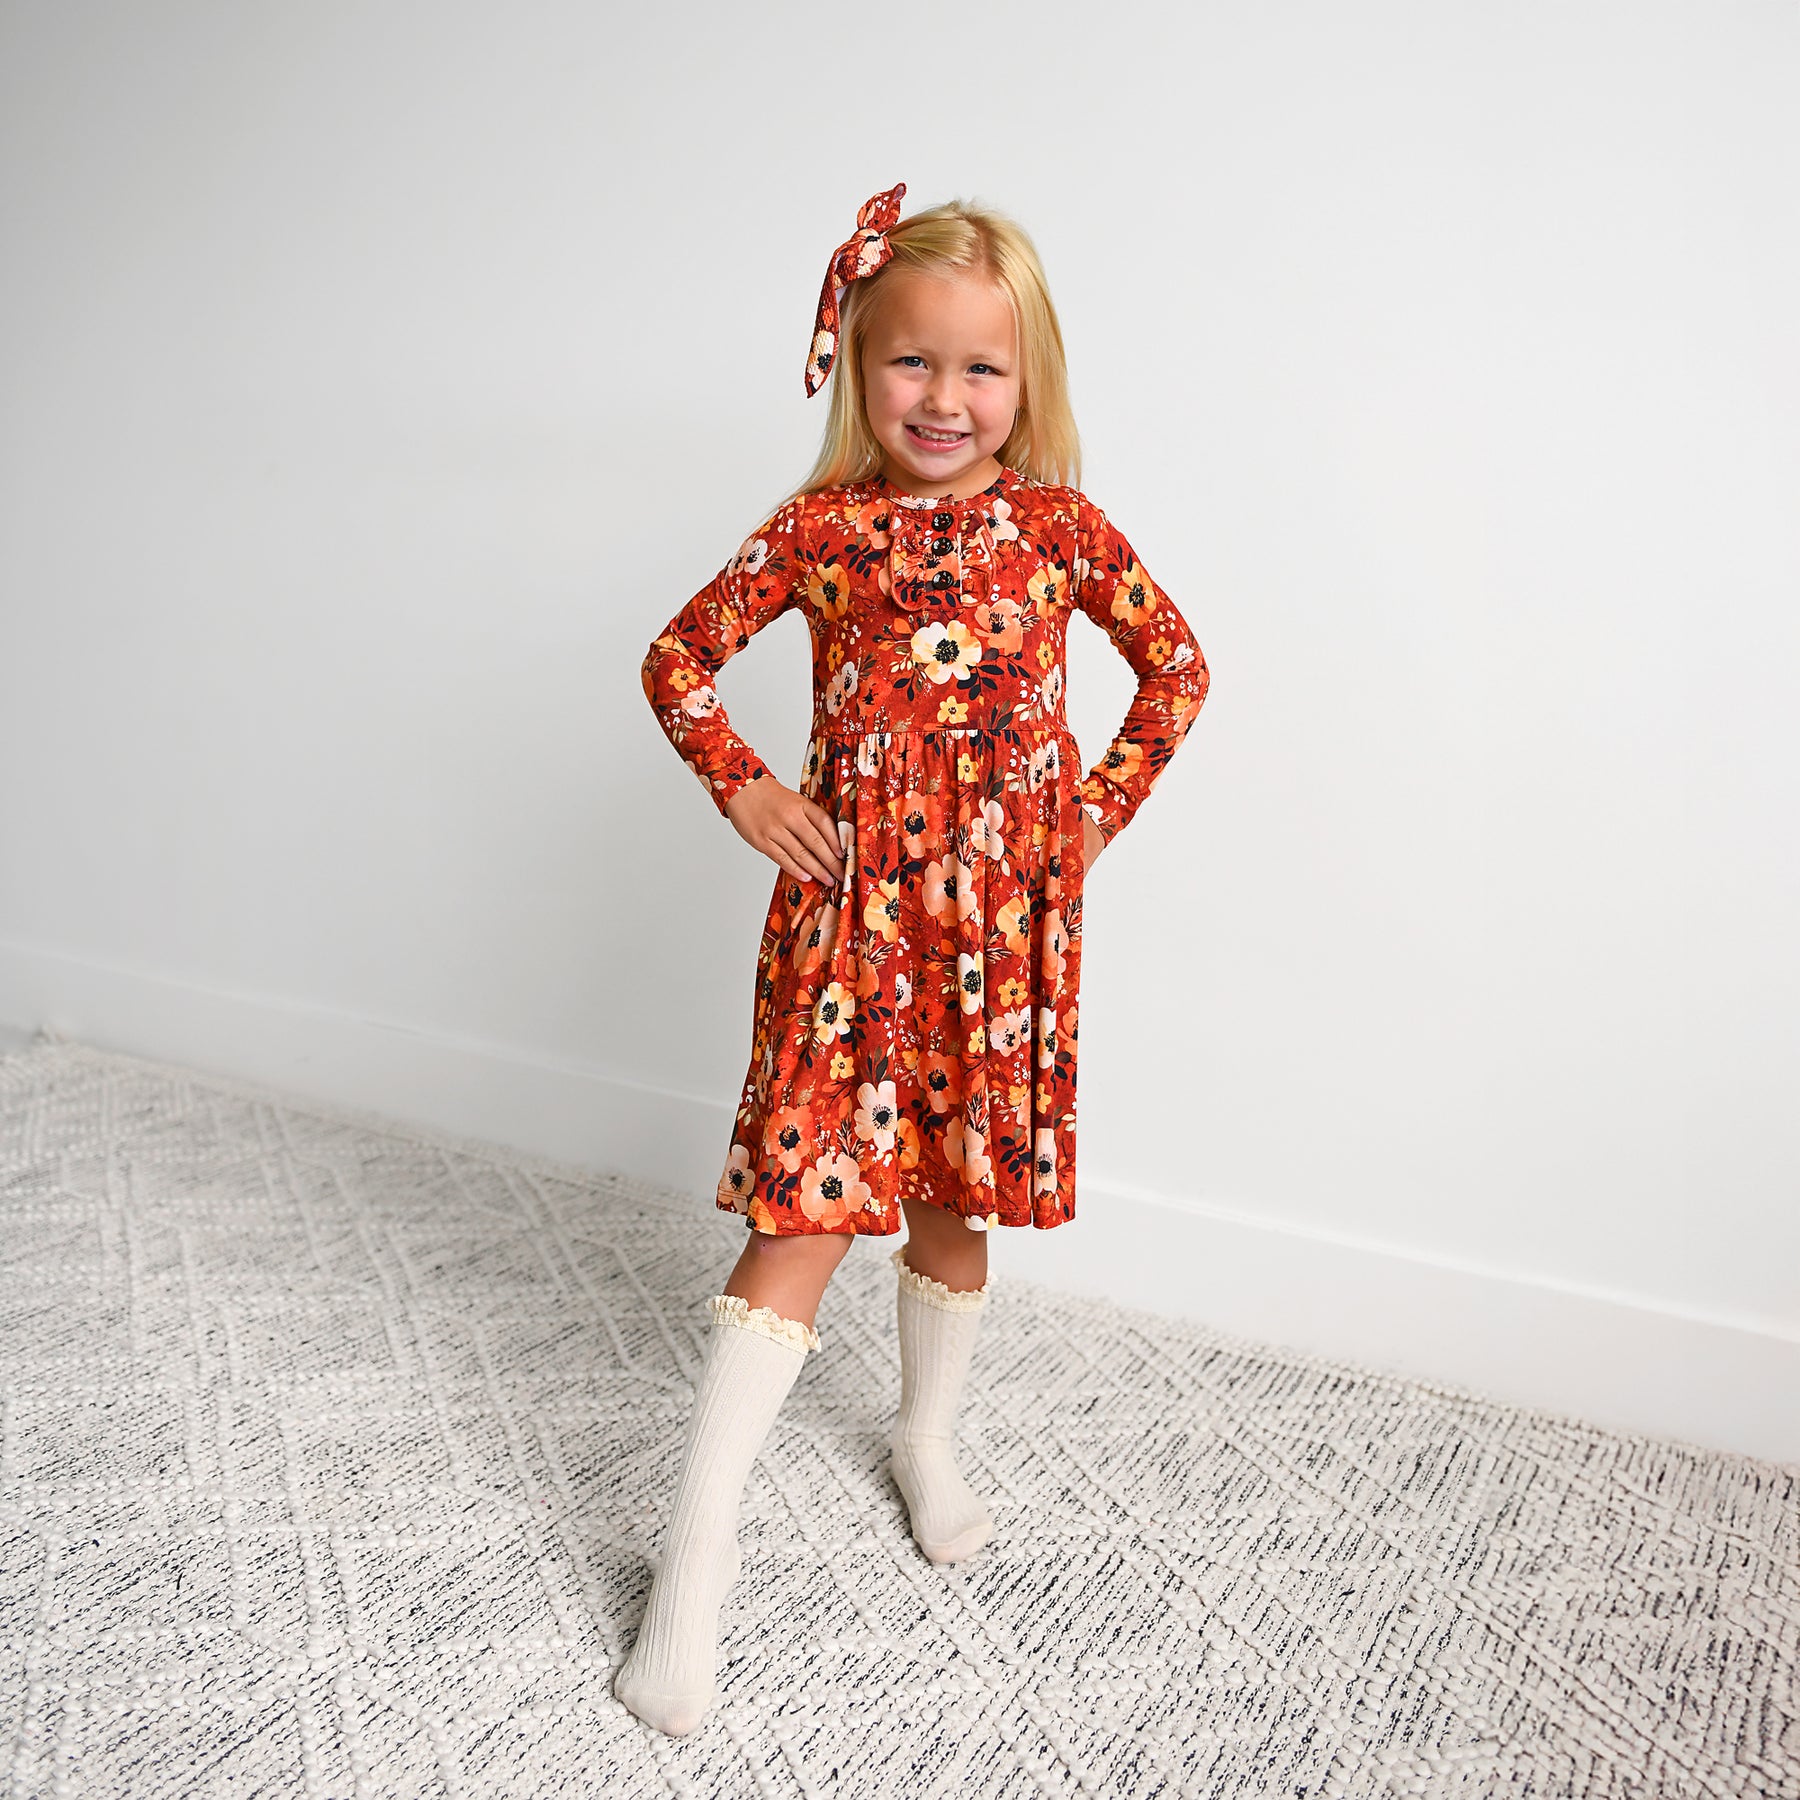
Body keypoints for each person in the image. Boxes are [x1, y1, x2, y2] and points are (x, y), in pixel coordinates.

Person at [614, 181, 1211, 1736]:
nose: (944, 398)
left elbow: (1175, 666)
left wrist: (1089, 818)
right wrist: (747, 787)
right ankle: (696, 1556)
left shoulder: (1059, 529)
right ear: (858, 365)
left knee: (952, 1202)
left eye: (980, 368)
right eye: (910, 361)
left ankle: (926, 1438)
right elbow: (678, 658)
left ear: (1029, 380)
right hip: (851, 930)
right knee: (798, 1221)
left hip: (995, 941)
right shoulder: (822, 531)